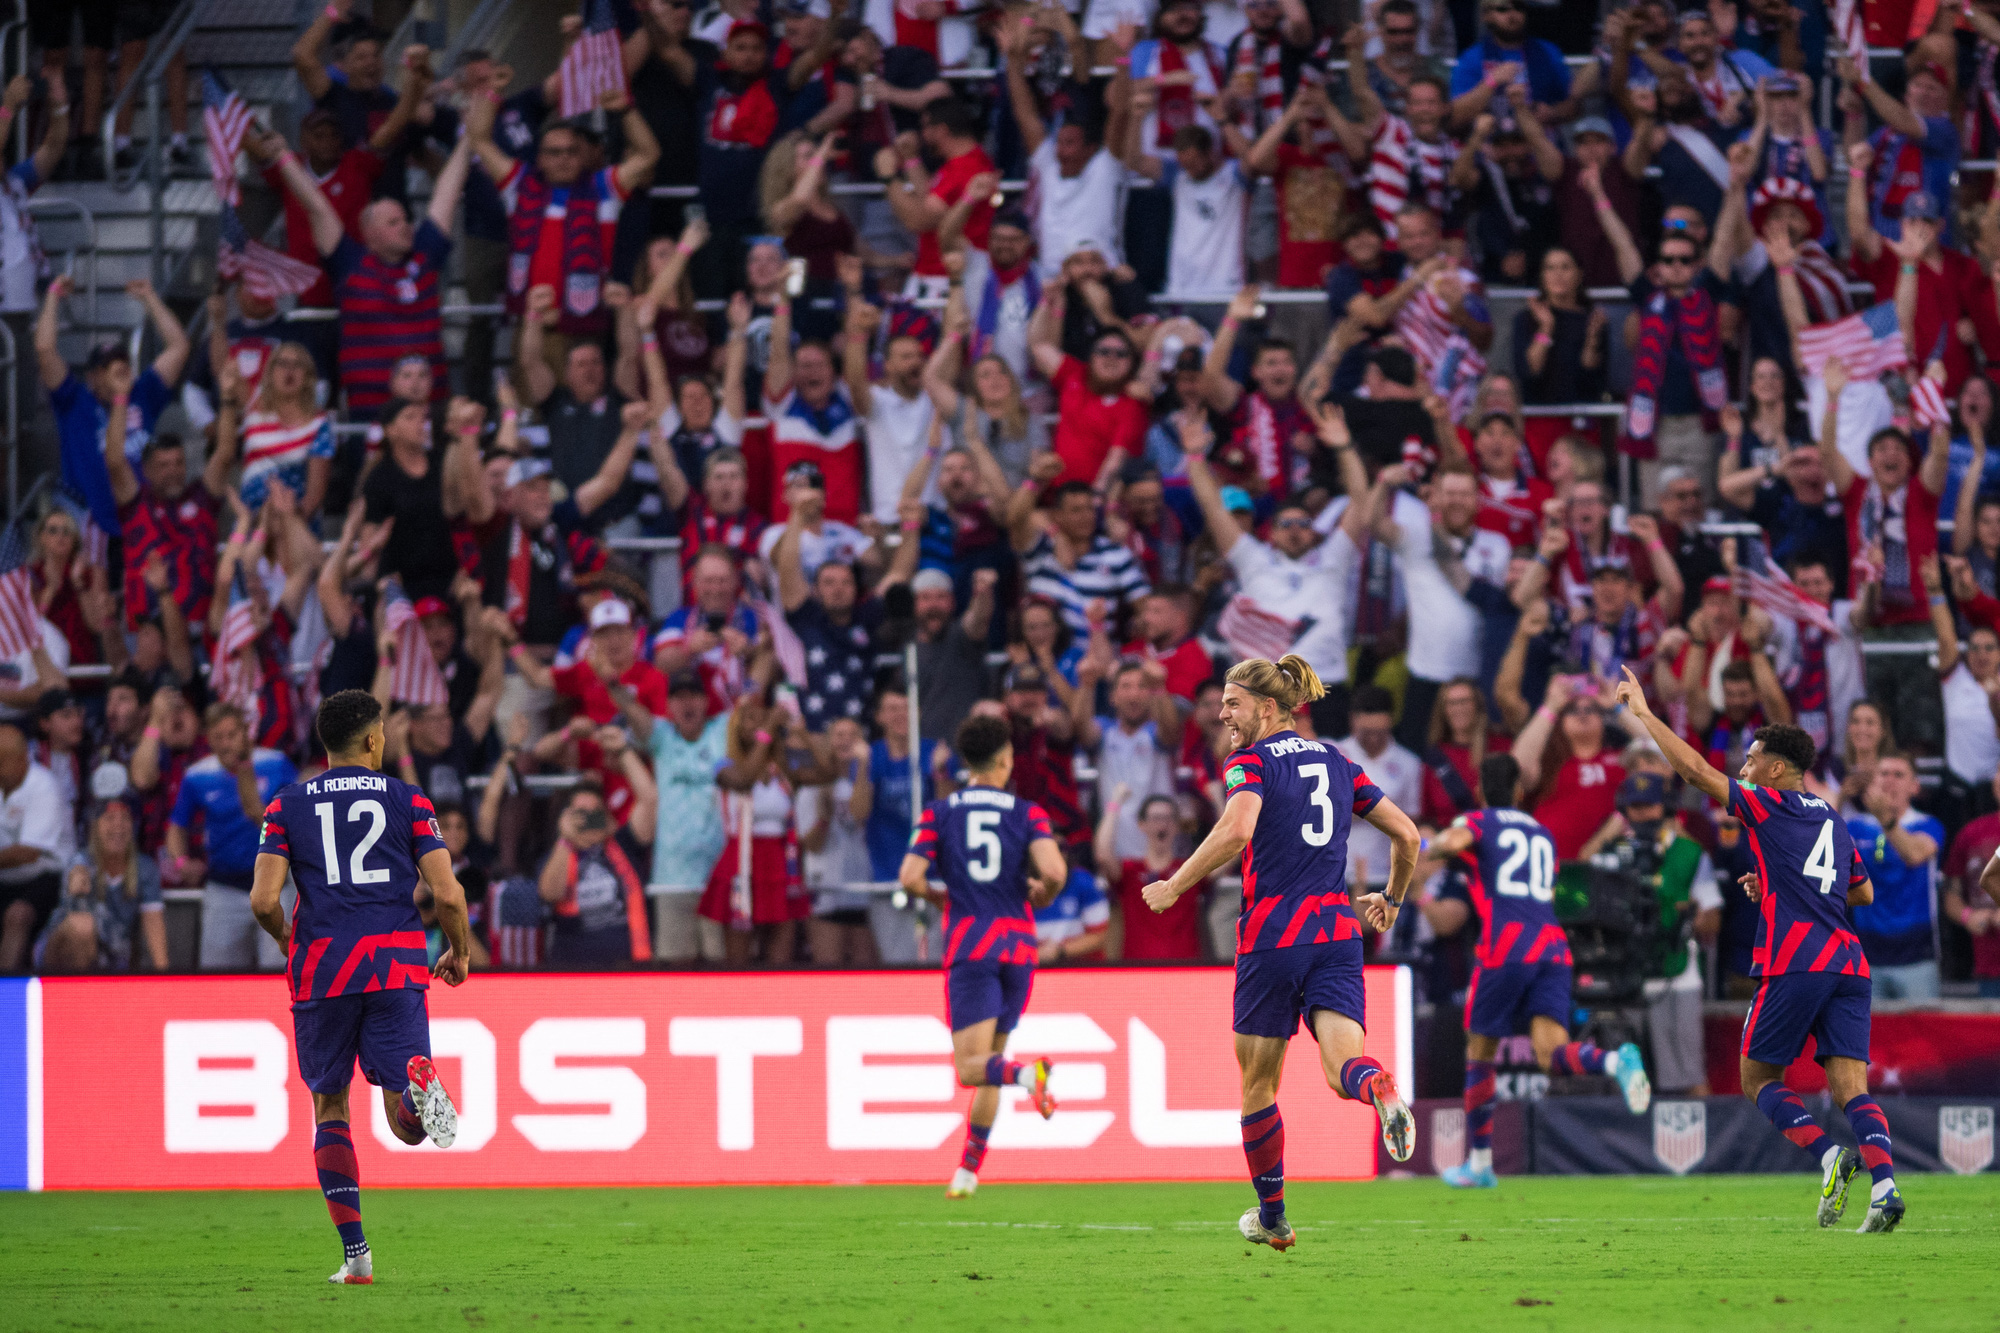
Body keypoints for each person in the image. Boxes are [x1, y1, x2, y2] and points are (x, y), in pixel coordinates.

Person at [1139, 655, 1420, 1250]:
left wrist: (1175, 884)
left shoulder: (1250, 762)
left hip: (1273, 935)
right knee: (1344, 1071)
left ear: (1268, 708)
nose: (1223, 715)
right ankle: (1381, 1089)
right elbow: (1409, 834)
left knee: (1259, 1085)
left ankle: (1273, 1217)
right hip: (1338, 933)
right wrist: (1392, 901)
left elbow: (1238, 829)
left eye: (1233, 704)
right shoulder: (1342, 762)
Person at [1615, 670, 1902, 1234]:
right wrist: (1778, 882)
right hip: (1849, 962)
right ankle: (1886, 1187)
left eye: (1750, 760)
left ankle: (1827, 1156)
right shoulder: (1832, 817)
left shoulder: (1770, 803)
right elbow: (1863, 891)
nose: (1742, 769)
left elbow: (1696, 772)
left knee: (1756, 1078)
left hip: (1796, 960)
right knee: (1851, 1088)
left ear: (1774, 769)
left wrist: (1645, 715)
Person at [249, 689, 470, 1285]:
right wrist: (460, 950)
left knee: (330, 1105)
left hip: (322, 968)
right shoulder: (407, 798)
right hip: (397, 962)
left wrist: (285, 943)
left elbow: (264, 900)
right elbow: (448, 894)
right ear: (373, 740)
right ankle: (414, 1088)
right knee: (406, 1124)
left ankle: (357, 1257)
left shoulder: (286, 805)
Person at [1423, 754, 1649, 1188]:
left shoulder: (1480, 820)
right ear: (1520, 791)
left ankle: (1481, 1163)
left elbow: (1453, 843)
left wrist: (1422, 847)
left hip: (1505, 948)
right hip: (1553, 948)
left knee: (1480, 1051)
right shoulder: (1541, 833)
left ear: (1481, 791)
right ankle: (1614, 1060)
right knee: (1551, 1055)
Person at [897, 713, 1066, 1199]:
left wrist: (941, 899)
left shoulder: (939, 812)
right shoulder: (1027, 812)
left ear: (966, 763)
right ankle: (968, 1170)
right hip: (1018, 945)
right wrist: (1040, 895)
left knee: (972, 1067)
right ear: (1006, 760)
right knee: (988, 1056)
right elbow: (1053, 871)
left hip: (972, 945)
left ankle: (1027, 1076)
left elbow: (910, 876)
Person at [262, 124, 474, 412]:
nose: (406, 227)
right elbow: (315, 206)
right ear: (369, 235)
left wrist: (469, 138)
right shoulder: (350, 263)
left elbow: (446, 195)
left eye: (406, 220)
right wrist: (284, 158)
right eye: (393, 222)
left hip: (430, 413)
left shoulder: (424, 255)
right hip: (371, 417)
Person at [39, 276, 190, 540]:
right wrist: (53, 296)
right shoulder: (73, 400)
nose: (118, 370)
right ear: (94, 377)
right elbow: (44, 348)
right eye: (107, 366)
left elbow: (179, 346)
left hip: (140, 520)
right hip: (88, 526)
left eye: (123, 363)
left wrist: (150, 298)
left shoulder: (143, 392)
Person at [166, 703, 297, 972]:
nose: (226, 744)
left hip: (275, 886)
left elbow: (293, 820)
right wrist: (181, 862)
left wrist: (248, 783)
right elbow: (175, 827)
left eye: (232, 734)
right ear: (208, 739)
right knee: (217, 975)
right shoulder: (197, 775)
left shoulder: (276, 763)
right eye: (218, 737)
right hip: (223, 888)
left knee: (280, 973)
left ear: (246, 733)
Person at [539, 762, 660, 968]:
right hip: (573, 967)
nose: (587, 819)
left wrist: (624, 753)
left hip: (627, 965)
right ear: (566, 816)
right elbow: (550, 893)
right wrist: (566, 839)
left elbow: (650, 800)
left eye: (594, 812)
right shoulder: (557, 853)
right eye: (580, 813)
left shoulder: (624, 843)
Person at [37, 782, 164, 974]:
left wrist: (164, 975)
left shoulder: (145, 868)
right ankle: (79, 997)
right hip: (59, 950)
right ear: (95, 826)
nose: (118, 826)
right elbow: (76, 914)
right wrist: (78, 881)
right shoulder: (80, 860)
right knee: (82, 926)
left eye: (125, 819)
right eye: (110, 818)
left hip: (113, 953)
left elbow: (153, 921)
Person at [1845, 753, 1944, 1001]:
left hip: (1916, 958)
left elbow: (1913, 854)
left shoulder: (1929, 824)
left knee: (1924, 1038)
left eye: (1899, 775)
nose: (1890, 780)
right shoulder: (1855, 827)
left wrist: (1885, 818)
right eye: (1883, 774)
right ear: (1872, 783)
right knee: (1869, 1039)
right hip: (1866, 958)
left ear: (1915, 786)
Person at [0, 722, 73, 972]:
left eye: (2, 761)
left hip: (46, 875)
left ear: (22, 759)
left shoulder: (44, 786)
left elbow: (28, 853)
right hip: (4, 876)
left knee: (17, 914)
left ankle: (5, 994)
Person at [1098, 787, 1202, 960]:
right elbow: (1103, 853)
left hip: (1185, 969)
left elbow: (1231, 850)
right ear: (1142, 825)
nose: (1162, 824)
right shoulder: (1130, 869)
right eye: (1155, 818)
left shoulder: (1191, 869)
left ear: (1176, 826)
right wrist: (1115, 803)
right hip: (1138, 969)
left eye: (1168, 818)